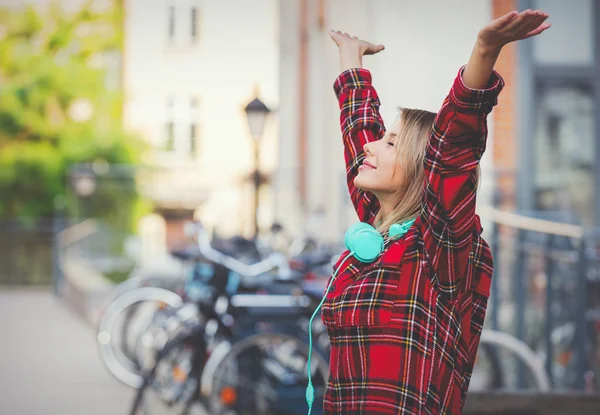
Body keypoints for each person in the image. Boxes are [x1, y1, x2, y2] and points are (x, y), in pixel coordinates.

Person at [319, 9, 551, 415]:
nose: (372, 146)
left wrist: (484, 51)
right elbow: (359, 134)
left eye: (390, 143)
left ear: (419, 169)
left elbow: (454, 147)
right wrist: (351, 59)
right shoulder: (378, 226)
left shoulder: (438, 248)